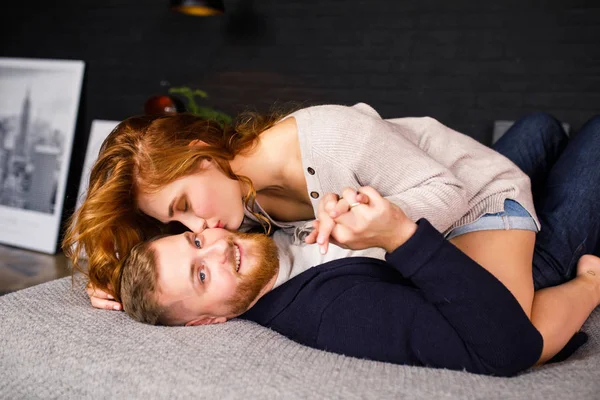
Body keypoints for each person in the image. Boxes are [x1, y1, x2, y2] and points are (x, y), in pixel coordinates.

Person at [64, 104, 599, 357]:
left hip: (471, 196)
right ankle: (542, 132)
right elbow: (171, 268)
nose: (198, 226)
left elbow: (449, 194)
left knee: (522, 329)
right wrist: (109, 276)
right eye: (176, 225)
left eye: (185, 206)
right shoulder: (230, 204)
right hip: (428, 159)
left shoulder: (330, 139)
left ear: (203, 155)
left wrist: (375, 229)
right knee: (539, 129)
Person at [118, 184, 600, 377]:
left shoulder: (247, 233)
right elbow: (507, 348)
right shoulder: (336, 313)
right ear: (204, 322)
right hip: (496, 250)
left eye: (196, 242)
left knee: (536, 128)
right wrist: (402, 237)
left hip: (455, 204)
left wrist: (107, 275)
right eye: (201, 275)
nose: (220, 247)